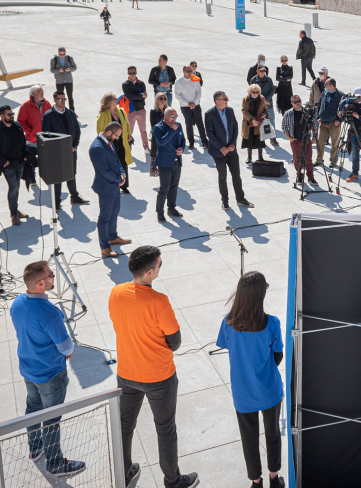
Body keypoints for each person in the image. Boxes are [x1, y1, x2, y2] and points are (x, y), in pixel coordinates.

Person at [109, 246, 198, 488]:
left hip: (126, 373)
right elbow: (175, 341)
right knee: (165, 429)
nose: (161, 267)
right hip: (159, 377)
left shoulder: (115, 292)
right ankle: (173, 481)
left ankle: (125, 472)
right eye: (160, 264)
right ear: (149, 272)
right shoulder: (159, 301)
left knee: (125, 426)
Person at [10, 261, 86, 478]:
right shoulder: (50, 312)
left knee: (33, 409)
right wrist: (66, 350)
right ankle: (55, 463)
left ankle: (35, 450)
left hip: (28, 369)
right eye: (52, 275)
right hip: (51, 375)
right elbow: (67, 347)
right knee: (51, 420)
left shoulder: (17, 303)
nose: (55, 277)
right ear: (42, 283)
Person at [217, 272, 286, 488]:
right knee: (273, 434)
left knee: (249, 438)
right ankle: (274, 478)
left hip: (242, 392)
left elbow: (228, 347)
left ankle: (256, 481)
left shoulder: (228, 322)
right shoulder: (272, 323)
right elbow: (278, 355)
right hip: (269, 391)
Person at [206, 91, 255, 210]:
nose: (227, 101)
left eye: (227, 98)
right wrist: (221, 147)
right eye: (225, 99)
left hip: (231, 150)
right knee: (222, 177)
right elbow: (210, 134)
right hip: (219, 152)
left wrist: (233, 144)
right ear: (217, 101)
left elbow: (235, 127)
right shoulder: (209, 114)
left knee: (236, 175)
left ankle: (240, 199)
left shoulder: (230, 110)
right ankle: (225, 201)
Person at [89, 121, 130, 259]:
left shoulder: (108, 141)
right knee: (105, 217)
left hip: (114, 184)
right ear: (108, 132)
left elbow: (117, 160)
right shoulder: (97, 147)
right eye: (117, 136)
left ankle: (112, 237)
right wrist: (119, 179)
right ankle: (105, 247)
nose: (117, 138)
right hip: (106, 186)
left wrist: (122, 174)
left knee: (114, 211)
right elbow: (104, 170)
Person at [41, 92, 89, 210]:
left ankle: (74, 196)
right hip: (57, 153)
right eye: (60, 99)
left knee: (71, 173)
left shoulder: (70, 113)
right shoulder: (48, 116)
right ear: (54, 100)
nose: (62, 101)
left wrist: (75, 145)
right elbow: (46, 136)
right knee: (58, 177)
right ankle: (56, 201)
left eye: (64, 99)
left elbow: (77, 131)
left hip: (71, 151)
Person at [0, 105, 29, 225]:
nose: (12, 116)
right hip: (8, 165)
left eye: (12, 114)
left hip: (19, 162)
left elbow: (23, 142)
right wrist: (3, 161)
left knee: (16, 187)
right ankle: (14, 214)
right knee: (13, 187)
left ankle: (15, 210)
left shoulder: (17, 126)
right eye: (9, 114)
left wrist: (25, 154)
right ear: (2, 116)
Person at [153, 108, 186, 222]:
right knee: (164, 189)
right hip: (165, 163)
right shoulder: (158, 128)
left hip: (177, 162)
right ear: (165, 116)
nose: (175, 118)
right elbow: (161, 142)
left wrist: (182, 148)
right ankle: (160, 213)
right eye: (172, 116)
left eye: (176, 115)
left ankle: (171, 208)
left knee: (174, 187)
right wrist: (171, 130)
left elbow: (182, 139)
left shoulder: (178, 125)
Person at [96, 94, 133, 195]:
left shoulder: (121, 111)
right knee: (112, 164)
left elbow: (127, 124)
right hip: (110, 143)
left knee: (123, 163)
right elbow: (99, 130)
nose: (117, 100)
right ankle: (114, 184)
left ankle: (124, 185)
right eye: (115, 99)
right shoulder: (103, 114)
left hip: (122, 142)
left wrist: (129, 135)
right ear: (109, 102)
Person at [17, 85, 52, 188]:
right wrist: (30, 131)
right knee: (31, 159)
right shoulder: (25, 106)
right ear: (33, 94)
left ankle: (47, 176)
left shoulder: (47, 104)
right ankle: (32, 177)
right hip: (32, 138)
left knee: (45, 158)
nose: (42, 93)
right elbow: (20, 122)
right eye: (40, 92)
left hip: (45, 138)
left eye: (42, 91)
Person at [282, 94, 315, 184]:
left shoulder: (307, 111)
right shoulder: (289, 113)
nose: (298, 103)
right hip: (296, 140)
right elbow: (284, 126)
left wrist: (314, 137)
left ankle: (311, 177)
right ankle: (299, 176)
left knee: (308, 159)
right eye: (295, 102)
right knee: (297, 159)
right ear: (292, 103)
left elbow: (313, 124)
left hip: (307, 139)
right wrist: (289, 138)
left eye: (299, 101)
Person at [174, 64, 206, 150]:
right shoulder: (179, 81)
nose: (189, 73)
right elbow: (177, 95)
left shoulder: (195, 79)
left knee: (200, 123)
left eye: (190, 71)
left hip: (196, 105)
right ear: (183, 71)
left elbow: (199, 92)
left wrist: (194, 102)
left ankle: (204, 141)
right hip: (185, 106)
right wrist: (188, 103)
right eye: (187, 71)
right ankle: (191, 142)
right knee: (188, 124)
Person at [315, 78, 343, 168]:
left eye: (326, 84)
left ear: (331, 86)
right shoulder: (324, 93)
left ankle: (333, 161)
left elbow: (345, 111)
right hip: (323, 123)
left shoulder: (341, 96)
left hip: (334, 124)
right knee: (320, 143)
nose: (324, 86)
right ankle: (319, 160)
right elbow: (319, 105)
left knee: (334, 144)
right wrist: (318, 117)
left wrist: (339, 120)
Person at [122, 66, 150, 153]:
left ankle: (146, 148)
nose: (132, 75)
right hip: (131, 111)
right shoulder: (125, 84)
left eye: (133, 73)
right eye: (130, 73)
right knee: (129, 131)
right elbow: (128, 96)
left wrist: (138, 96)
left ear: (136, 73)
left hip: (141, 110)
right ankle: (128, 148)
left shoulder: (141, 83)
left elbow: (144, 96)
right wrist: (140, 96)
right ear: (128, 74)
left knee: (143, 130)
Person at [241, 84, 269, 166]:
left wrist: (265, 114)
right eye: (253, 92)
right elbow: (244, 111)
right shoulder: (245, 99)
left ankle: (260, 157)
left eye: (257, 92)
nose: (255, 94)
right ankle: (249, 157)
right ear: (250, 91)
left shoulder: (262, 98)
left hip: (259, 123)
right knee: (249, 140)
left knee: (259, 140)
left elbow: (265, 109)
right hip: (249, 123)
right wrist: (252, 120)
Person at [148, 93, 169, 178]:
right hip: (157, 137)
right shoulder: (153, 111)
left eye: (165, 98)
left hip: (167, 137)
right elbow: (153, 126)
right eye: (161, 98)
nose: (163, 100)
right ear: (157, 99)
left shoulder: (168, 110)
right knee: (156, 156)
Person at [274, 55, 294, 120]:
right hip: (281, 87)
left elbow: (290, 77)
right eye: (283, 60)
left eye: (285, 60)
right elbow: (277, 78)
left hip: (288, 87)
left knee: (288, 101)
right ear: (281, 61)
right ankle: (284, 116)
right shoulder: (279, 68)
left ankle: (289, 116)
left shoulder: (290, 68)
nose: (284, 62)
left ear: (287, 60)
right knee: (281, 102)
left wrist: (282, 77)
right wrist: (286, 79)